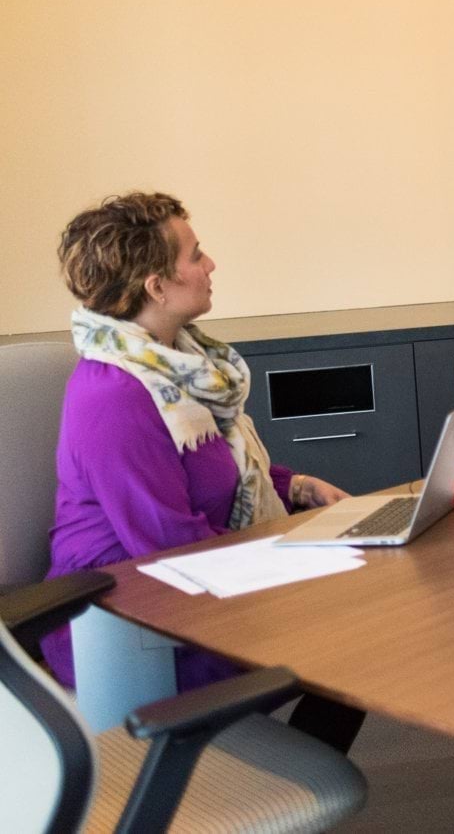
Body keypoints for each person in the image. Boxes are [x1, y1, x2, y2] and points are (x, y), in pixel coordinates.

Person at [43, 191, 363, 750]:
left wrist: (299, 488)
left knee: (365, 619)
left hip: (199, 580)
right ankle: (259, 788)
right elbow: (170, 545)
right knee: (355, 632)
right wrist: (298, 556)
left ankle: (285, 772)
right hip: (134, 619)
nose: (210, 265)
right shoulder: (114, 395)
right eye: (195, 255)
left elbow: (223, 470)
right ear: (156, 285)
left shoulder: (187, 368)